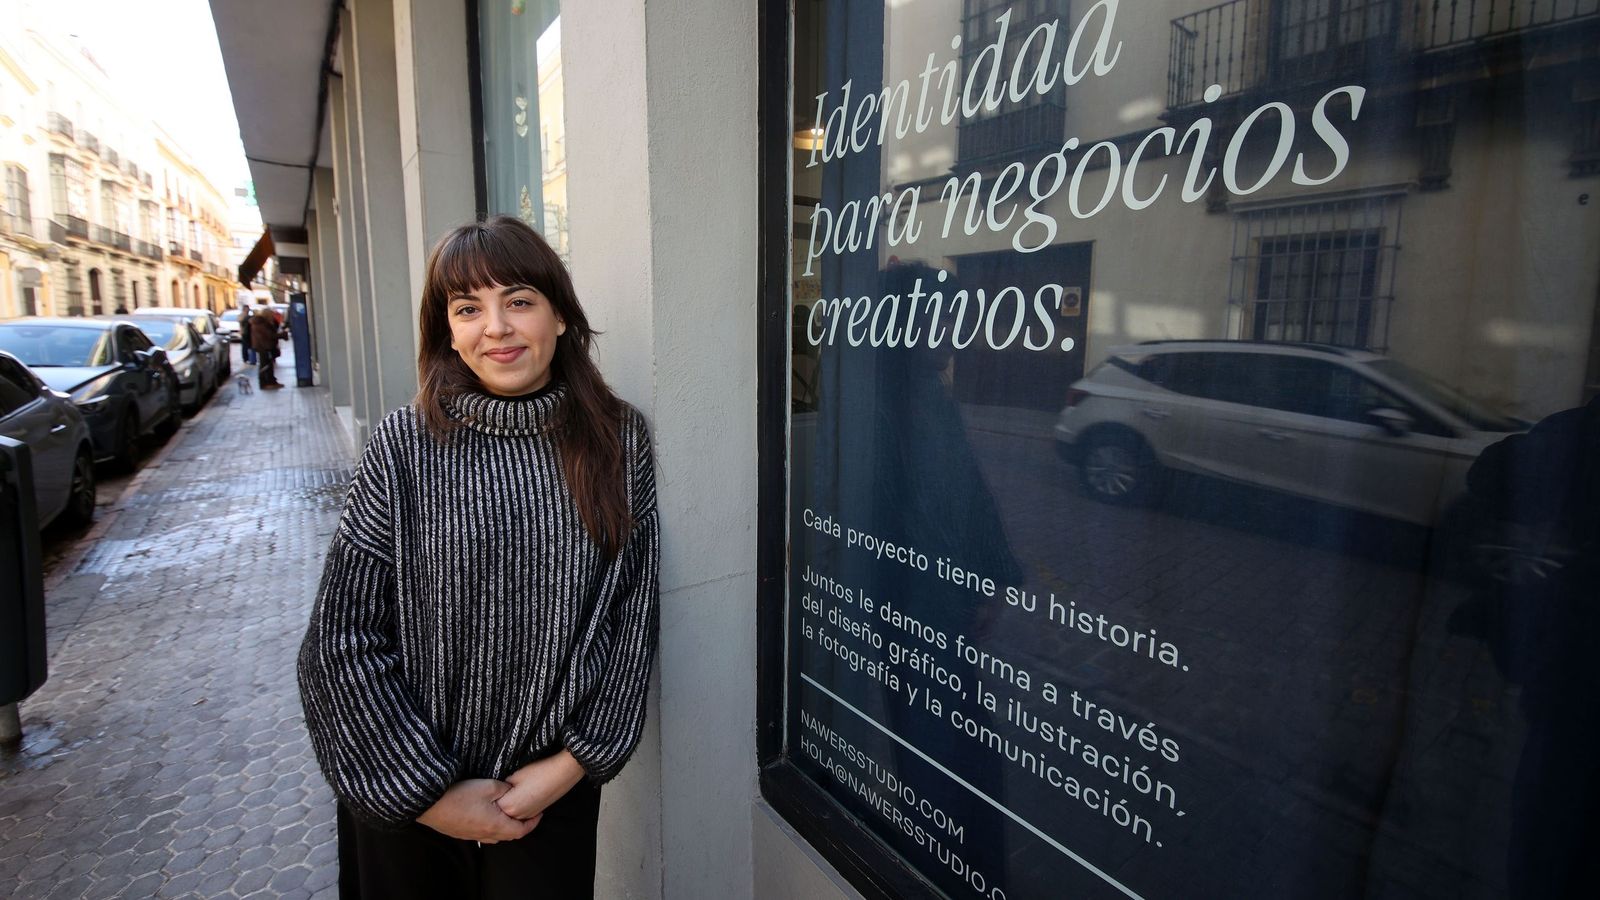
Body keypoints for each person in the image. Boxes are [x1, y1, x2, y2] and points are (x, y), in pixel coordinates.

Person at [297, 215, 660, 899]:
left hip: (545, 798)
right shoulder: (403, 446)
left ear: (559, 317)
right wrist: (429, 794)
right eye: (468, 309)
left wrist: (572, 764)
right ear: (449, 333)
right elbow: (339, 640)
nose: (495, 326)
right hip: (405, 799)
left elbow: (631, 620)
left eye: (518, 300)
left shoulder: (619, 441)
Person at [249, 304, 282, 389]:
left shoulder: (262, 323)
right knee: (265, 365)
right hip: (264, 346)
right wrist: (282, 335)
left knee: (268, 364)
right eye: (271, 314)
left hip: (264, 346)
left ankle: (270, 381)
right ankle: (265, 383)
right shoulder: (261, 324)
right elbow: (270, 335)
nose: (272, 316)